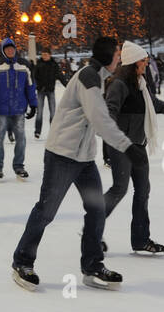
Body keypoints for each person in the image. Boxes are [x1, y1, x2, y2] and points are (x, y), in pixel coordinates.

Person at [10, 37, 139, 292]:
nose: (119, 57)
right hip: (62, 155)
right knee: (46, 211)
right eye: (116, 53)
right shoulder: (89, 78)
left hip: (83, 158)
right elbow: (100, 119)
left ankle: (92, 265)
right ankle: (22, 261)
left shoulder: (99, 76)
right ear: (107, 55)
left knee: (97, 209)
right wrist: (128, 146)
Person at [102, 41, 164, 255]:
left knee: (143, 191)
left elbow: (155, 105)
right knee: (119, 189)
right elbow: (108, 115)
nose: (146, 64)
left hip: (139, 145)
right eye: (143, 61)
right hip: (121, 146)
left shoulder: (141, 83)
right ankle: (92, 227)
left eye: (146, 60)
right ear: (132, 63)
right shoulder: (119, 84)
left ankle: (140, 239)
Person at [0, 37, 36, 180]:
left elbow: (30, 86)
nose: (10, 51)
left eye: (12, 48)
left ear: (15, 49)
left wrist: (33, 104)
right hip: (1, 109)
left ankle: (19, 166)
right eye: (7, 49)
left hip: (19, 108)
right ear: (3, 51)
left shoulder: (23, 66)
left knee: (21, 139)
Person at [33, 48, 61, 138]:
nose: (44, 56)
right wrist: (38, 86)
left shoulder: (54, 65)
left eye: (46, 54)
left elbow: (60, 76)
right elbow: (34, 77)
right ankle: (37, 131)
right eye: (43, 54)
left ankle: (53, 131)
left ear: (50, 55)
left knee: (53, 112)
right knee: (39, 112)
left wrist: (68, 85)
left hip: (50, 90)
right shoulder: (38, 65)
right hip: (41, 91)